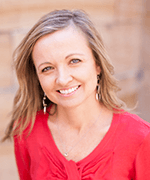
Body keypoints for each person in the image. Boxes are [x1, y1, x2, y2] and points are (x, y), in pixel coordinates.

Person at [2, 9, 150, 180]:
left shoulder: (140, 138)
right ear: (37, 77)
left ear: (97, 65)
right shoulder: (27, 131)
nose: (63, 79)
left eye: (74, 61)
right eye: (47, 68)